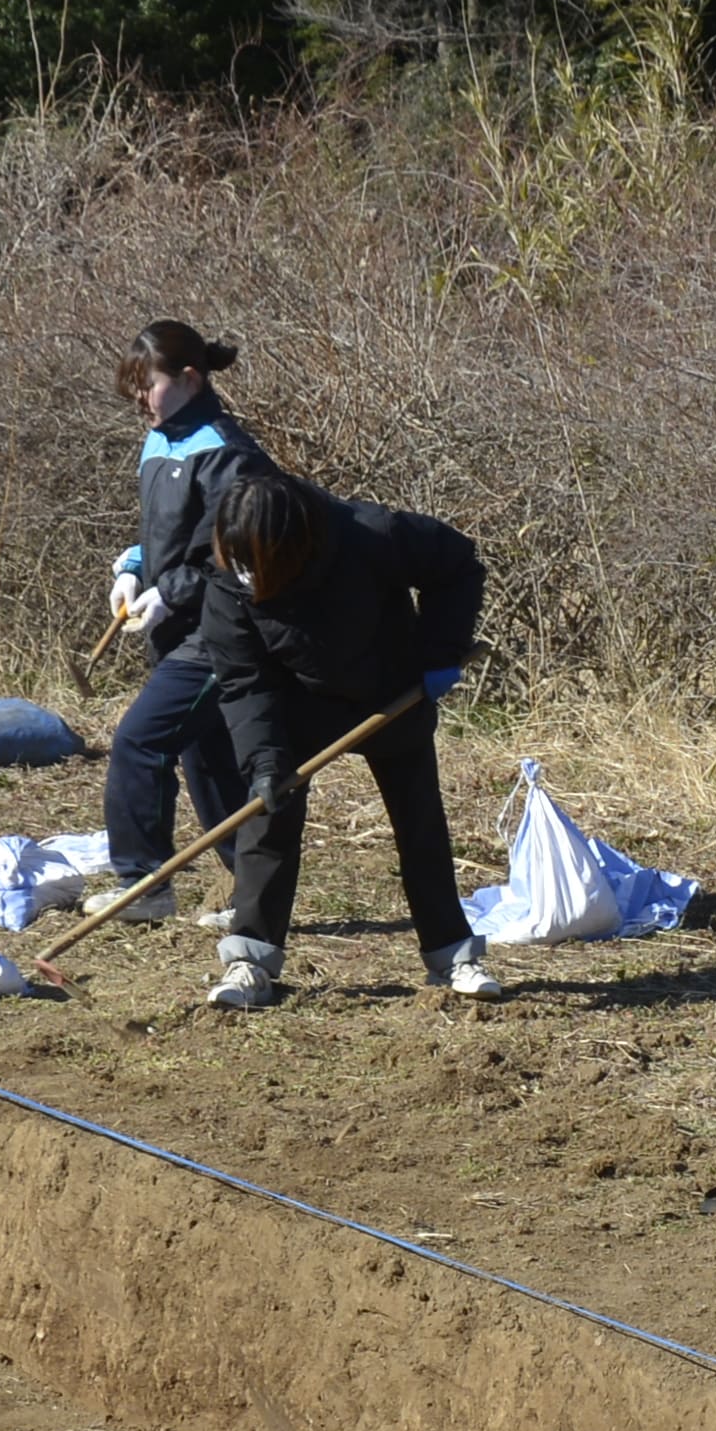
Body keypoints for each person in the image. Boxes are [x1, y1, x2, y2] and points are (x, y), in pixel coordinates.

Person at [180, 457, 489, 1009]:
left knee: (419, 819)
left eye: (261, 566)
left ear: (293, 548)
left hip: (391, 693)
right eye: (240, 565)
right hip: (294, 700)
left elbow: (458, 564)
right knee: (267, 820)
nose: (249, 578)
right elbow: (244, 679)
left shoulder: (370, 534)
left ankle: (453, 956)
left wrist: (439, 653)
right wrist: (265, 760)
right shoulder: (222, 577)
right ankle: (250, 961)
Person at [94, 320, 259, 895]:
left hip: (220, 632)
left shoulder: (228, 455)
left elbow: (236, 559)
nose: (140, 400)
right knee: (209, 760)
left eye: (149, 385)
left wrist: (171, 591)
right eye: (133, 388)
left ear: (190, 379)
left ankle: (143, 885)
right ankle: (255, 890)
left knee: (139, 740)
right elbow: (167, 532)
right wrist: (134, 568)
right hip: (177, 630)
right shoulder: (160, 438)